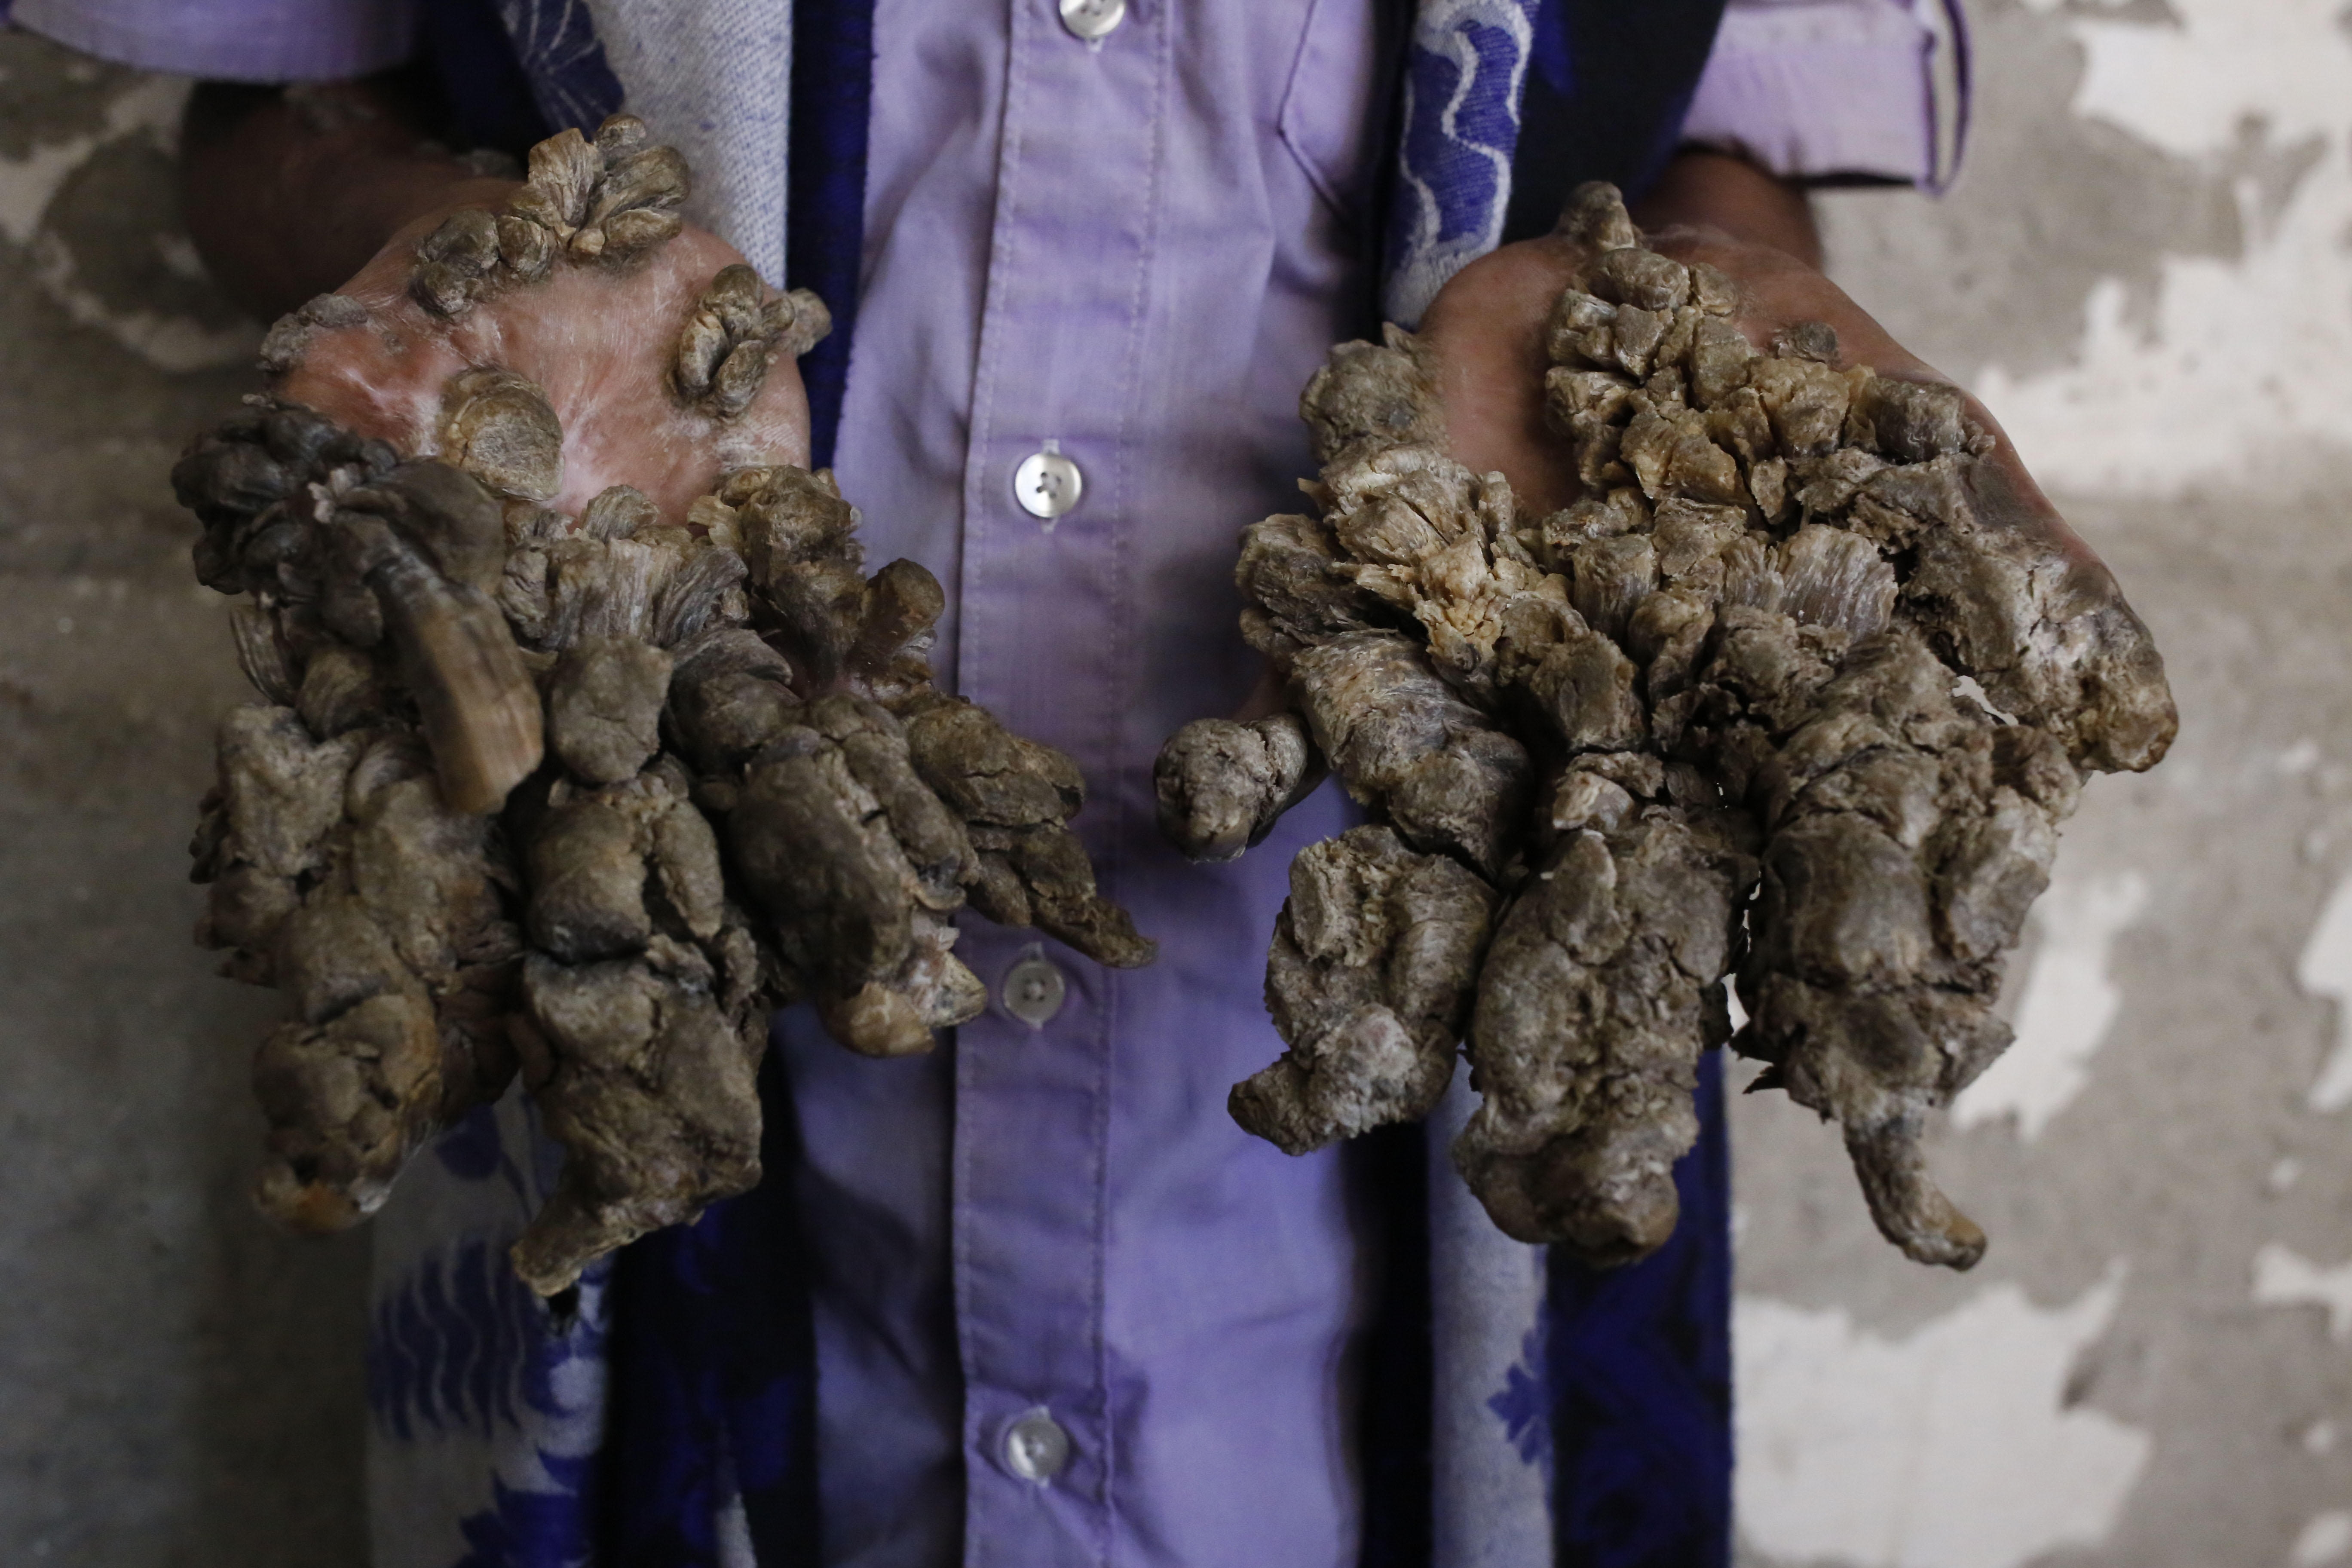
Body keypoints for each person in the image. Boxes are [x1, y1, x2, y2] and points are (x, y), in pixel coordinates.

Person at [11, 1, 1987, 1563]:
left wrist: (1704, 319)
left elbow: (1726, 123)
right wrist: (451, 267)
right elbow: (271, 120)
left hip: (1391, 1005)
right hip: (660, 873)